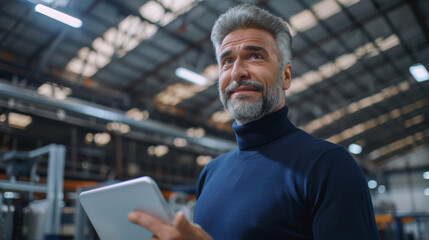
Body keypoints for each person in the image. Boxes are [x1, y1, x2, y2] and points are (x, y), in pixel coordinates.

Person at [128, 4, 380, 240]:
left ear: (286, 75)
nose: (237, 72)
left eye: (255, 56)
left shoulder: (327, 166)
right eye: (227, 61)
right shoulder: (211, 173)